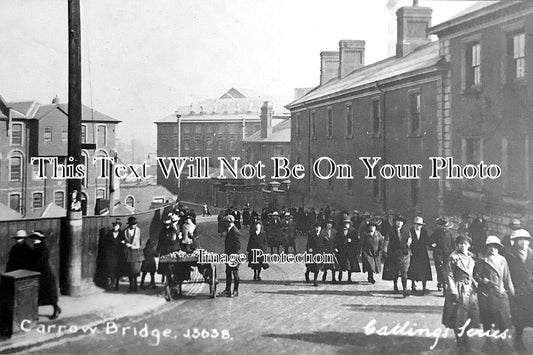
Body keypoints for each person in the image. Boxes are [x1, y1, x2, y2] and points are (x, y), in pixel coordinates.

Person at [473, 235, 514, 352]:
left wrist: (511, 291)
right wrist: (485, 281)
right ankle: (488, 341)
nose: (492, 249)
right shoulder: (482, 260)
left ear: (498, 248)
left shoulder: (502, 260)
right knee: (487, 318)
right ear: (487, 248)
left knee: (503, 318)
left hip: (500, 292)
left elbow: (507, 277)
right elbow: (476, 275)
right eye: (490, 247)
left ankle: (502, 340)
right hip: (486, 293)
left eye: (495, 247)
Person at [442, 235, 480, 354]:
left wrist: (477, 282)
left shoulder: (471, 257)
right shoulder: (453, 257)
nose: (463, 246)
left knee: (470, 314)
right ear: (457, 245)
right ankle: (459, 340)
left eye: (465, 244)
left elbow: (474, 273)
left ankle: (466, 339)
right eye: (461, 244)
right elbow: (449, 274)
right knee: (457, 315)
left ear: (469, 245)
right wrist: (452, 290)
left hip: (470, 289)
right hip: (458, 288)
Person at [503, 228, 533, 353]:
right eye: (520, 240)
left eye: (526, 240)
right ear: (515, 241)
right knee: (517, 317)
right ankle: (518, 340)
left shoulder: (532, 254)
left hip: (530, 289)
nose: (523, 242)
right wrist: (509, 288)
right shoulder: (509, 255)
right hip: (515, 289)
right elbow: (506, 273)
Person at [29, 231, 61, 320]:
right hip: (37, 274)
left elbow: (40, 262)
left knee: (50, 296)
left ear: (40, 239)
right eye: (33, 238)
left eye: (36, 238)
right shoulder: (36, 247)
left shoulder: (43, 248)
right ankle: (35, 314)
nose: (34, 240)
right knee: (37, 295)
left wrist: (32, 268)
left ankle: (56, 310)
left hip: (45, 275)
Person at [382, 215, 411, 297]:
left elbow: (410, 238)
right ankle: (395, 286)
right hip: (394, 254)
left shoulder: (406, 231)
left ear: (403, 223)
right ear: (395, 222)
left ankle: (405, 289)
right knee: (395, 272)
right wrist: (385, 251)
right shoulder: (390, 231)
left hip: (404, 254)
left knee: (404, 272)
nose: (399, 223)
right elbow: (386, 241)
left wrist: (409, 242)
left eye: (401, 222)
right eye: (397, 221)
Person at [407, 216, 432, 295]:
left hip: (422, 254)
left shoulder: (424, 232)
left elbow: (428, 241)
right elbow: (407, 241)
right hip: (413, 253)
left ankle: (424, 287)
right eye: (416, 224)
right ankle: (413, 286)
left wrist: (432, 244)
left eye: (420, 224)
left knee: (424, 270)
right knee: (413, 270)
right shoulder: (410, 231)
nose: (418, 226)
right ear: (414, 224)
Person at [218, 215, 241, 297]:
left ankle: (235, 291)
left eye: (225, 222)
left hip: (233, 255)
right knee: (228, 272)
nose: (224, 224)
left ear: (229, 222)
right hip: (229, 254)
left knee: (235, 273)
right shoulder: (230, 229)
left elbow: (238, 245)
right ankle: (227, 290)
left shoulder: (234, 231)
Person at [431, 217, 455, 295]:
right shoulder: (436, 233)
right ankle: (441, 283)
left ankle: (445, 284)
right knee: (440, 269)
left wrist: (453, 253)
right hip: (439, 254)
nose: (444, 228)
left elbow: (453, 244)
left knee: (447, 269)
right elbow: (431, 242)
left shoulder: (450, 234)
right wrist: (434, 246)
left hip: (448, 254)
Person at [121, 217, 144, 292]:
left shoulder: (138, 230)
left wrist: (137, 247)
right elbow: (123, 240)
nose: (135, 226)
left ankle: (135, 285)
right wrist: (125, 243)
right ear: (130, 224)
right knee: (129, 270)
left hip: (136, 251)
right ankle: (131, 286)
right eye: (133, 224)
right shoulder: (125, 231)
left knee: (136, 270)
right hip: (128, 252)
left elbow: (140, 241)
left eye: (135, 224)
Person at [102, 218, 124, 290]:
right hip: (111, 254)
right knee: (110, 268)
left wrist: (123, 243)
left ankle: (117, 284)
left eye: (117, 226)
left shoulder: (121, 233)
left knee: (118, 269)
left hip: (119, 254)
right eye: (114, 225)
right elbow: (106, 243)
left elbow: (124, 242)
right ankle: (111, 283)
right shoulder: (109, 233)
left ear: (119, 226)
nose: (115, 227)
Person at [361, 218, 384, 284]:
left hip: (375, 252)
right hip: (367, 252)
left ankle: (370, 276)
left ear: (375, 228)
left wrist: (380, 250)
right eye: (370, 226)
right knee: (369, 265)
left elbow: (381, 242)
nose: (372, 228)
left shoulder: (378, 234)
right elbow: (361, 243)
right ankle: (370, 277)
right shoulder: (365, 234)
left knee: (374, 266)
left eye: (373, 227)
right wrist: (360, 251)